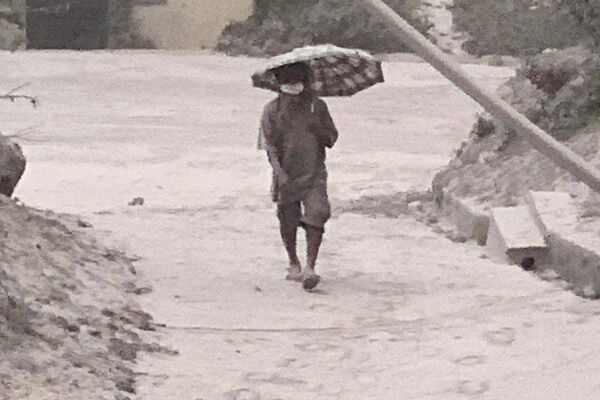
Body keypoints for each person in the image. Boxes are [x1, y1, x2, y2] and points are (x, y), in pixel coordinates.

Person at [259, 62, 338, 290]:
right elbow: (269, 146)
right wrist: (279, 173)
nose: (294, 99)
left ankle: (310, 266)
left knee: (317, 213)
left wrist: (318, 129)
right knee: (288, 218)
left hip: (314, 172)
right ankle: (293, 261)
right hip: (286, 173)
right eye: (288, 92)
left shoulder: (318, 108)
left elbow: (331, 139)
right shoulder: (271, 111)